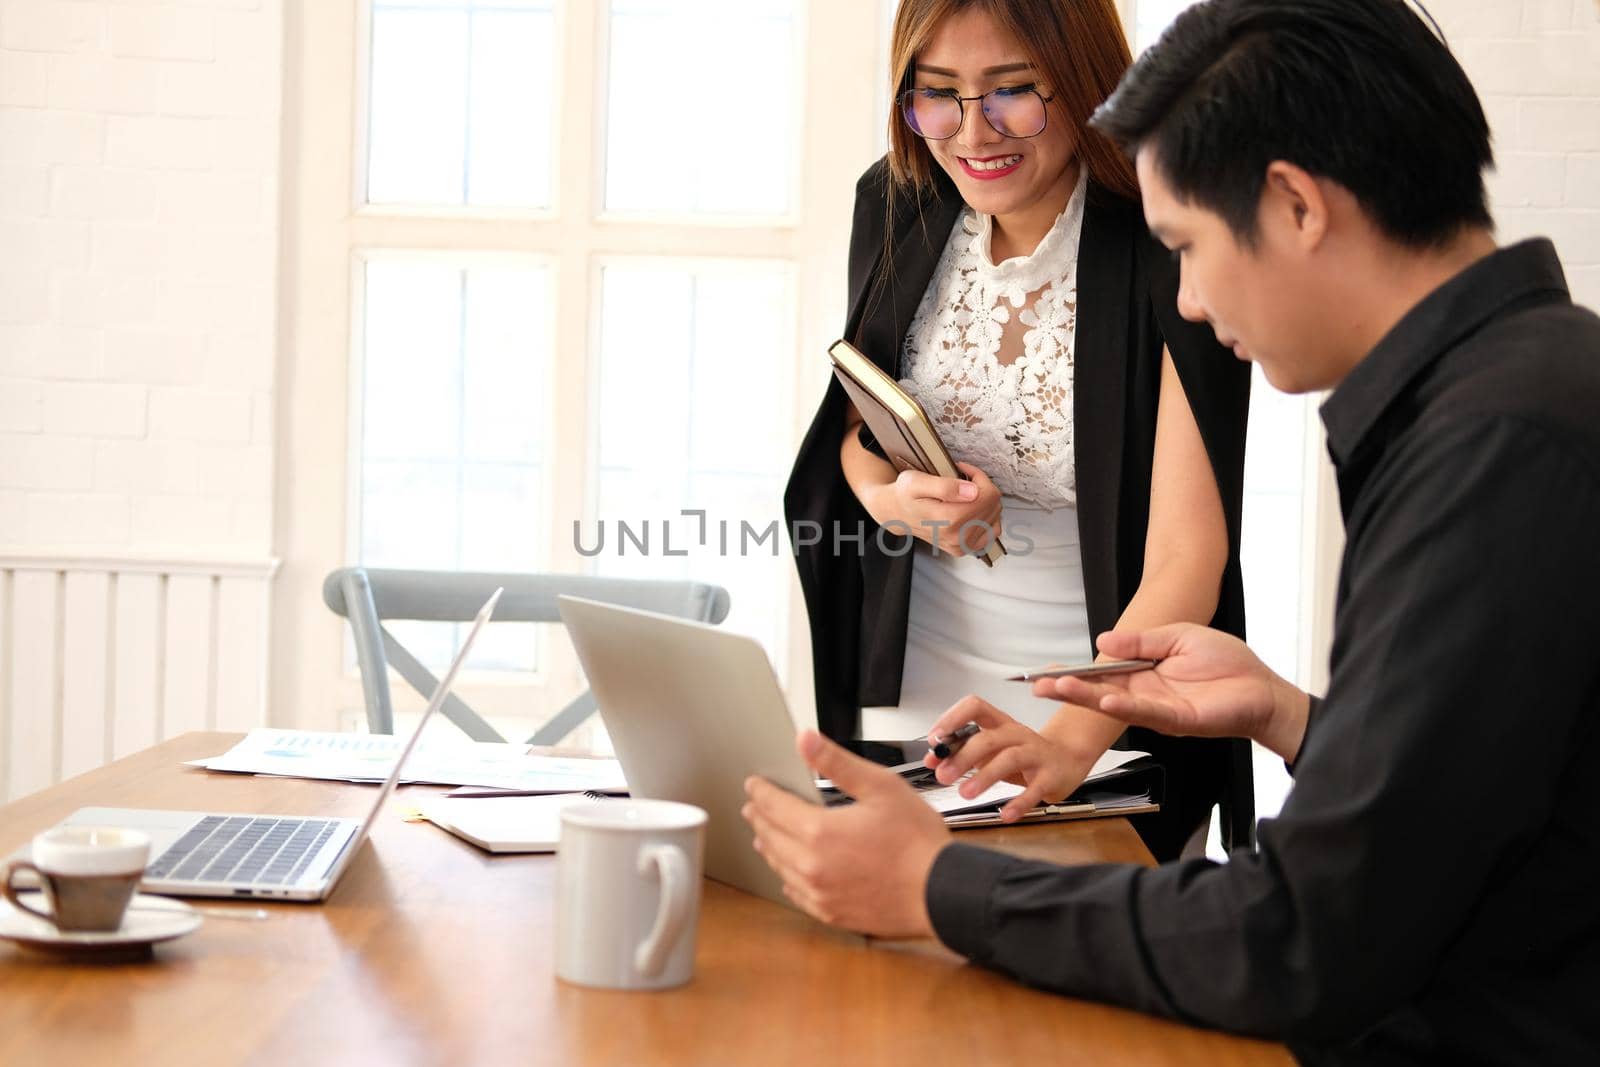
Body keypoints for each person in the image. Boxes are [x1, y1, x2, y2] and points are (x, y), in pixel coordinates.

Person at [745, 0, 1600, 1062]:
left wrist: (939, 881)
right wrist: (1288, 713)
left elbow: (1297, 936)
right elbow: (1485, 801)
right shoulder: (1522, 396)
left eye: (1186, 246)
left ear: (1292, 205)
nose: (1185, 301)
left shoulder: (1496, 451)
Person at [785, 0, 1253, 860]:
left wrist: (1068, 744)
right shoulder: (897, 202)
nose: (973, 132)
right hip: (907, 700)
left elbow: (1190, 558)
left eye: (1011, 92)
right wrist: (895, 501)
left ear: (1084, 82)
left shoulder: (1171, 240)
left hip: (1105, 726)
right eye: (938, 96)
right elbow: (856, 438)